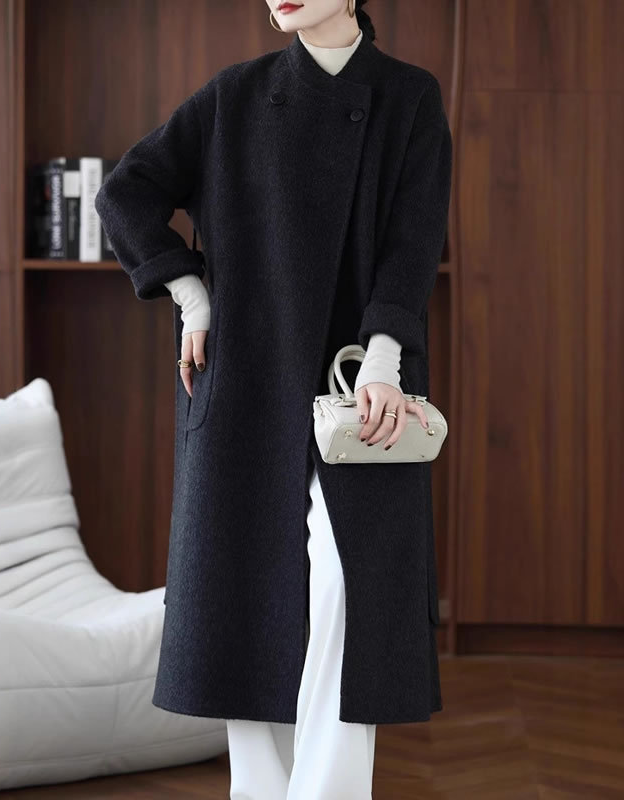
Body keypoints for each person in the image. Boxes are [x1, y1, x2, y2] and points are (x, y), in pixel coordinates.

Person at [95, 1, 452, 798]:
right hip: (248, 383)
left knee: (348, 594)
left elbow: (414, 241)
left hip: (361, 386)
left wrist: (385, 358)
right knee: (246, 600)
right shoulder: (236, 95)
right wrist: (190, 293)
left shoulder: (410, 97)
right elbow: (126, 191)